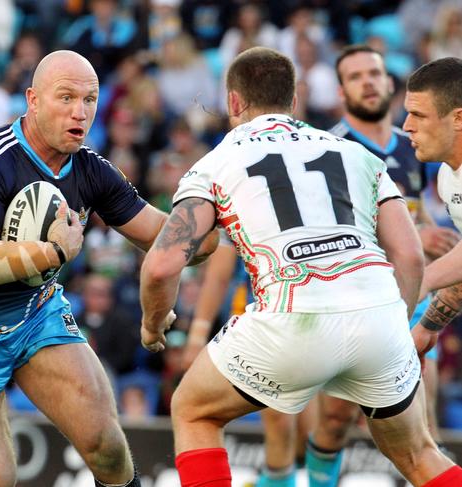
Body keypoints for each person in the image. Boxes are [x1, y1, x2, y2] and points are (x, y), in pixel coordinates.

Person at [140, 46, 462, 487]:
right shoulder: (356, 155)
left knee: (194, 410)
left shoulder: (214, 164)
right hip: (379, 315)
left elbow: (160, 266)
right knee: (419, 454)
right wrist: (395, 323)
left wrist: (154, 326)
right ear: (294, 102)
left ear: (233, 102)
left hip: (293, 315)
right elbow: (408, 255)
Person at [0, 49, 216, 487]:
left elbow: (173, 238)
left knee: (108, 448)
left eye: (90, 99)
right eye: (66, 97)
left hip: (35, 318)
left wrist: (209, 220)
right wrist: (52, 253)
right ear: (32, 99)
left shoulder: (93, 170)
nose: (81, 112)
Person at [304, 44, 461, 487]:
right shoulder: (330, 148)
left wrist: (423, 245)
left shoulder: (421, 152)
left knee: (419, 421)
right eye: (355, 76)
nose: (368, 82)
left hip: (404, 292)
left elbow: (421, 222)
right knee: (337, 417)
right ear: (340, 91)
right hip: (357, 293)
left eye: (375, 73)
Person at [183, 233, 316, 487]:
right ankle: (278, 479)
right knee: (280, 419)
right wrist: (197, 336)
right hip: (265, 323)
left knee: (312, 433)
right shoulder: (237, 198)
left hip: (319, 317)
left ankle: (282, 478)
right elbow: (218, 275)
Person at [404, 57, 462, 402]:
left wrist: (417, 284)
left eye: (419, 115)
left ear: (458, 118)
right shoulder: (446, 176)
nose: (407, 126)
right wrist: (429, 325)